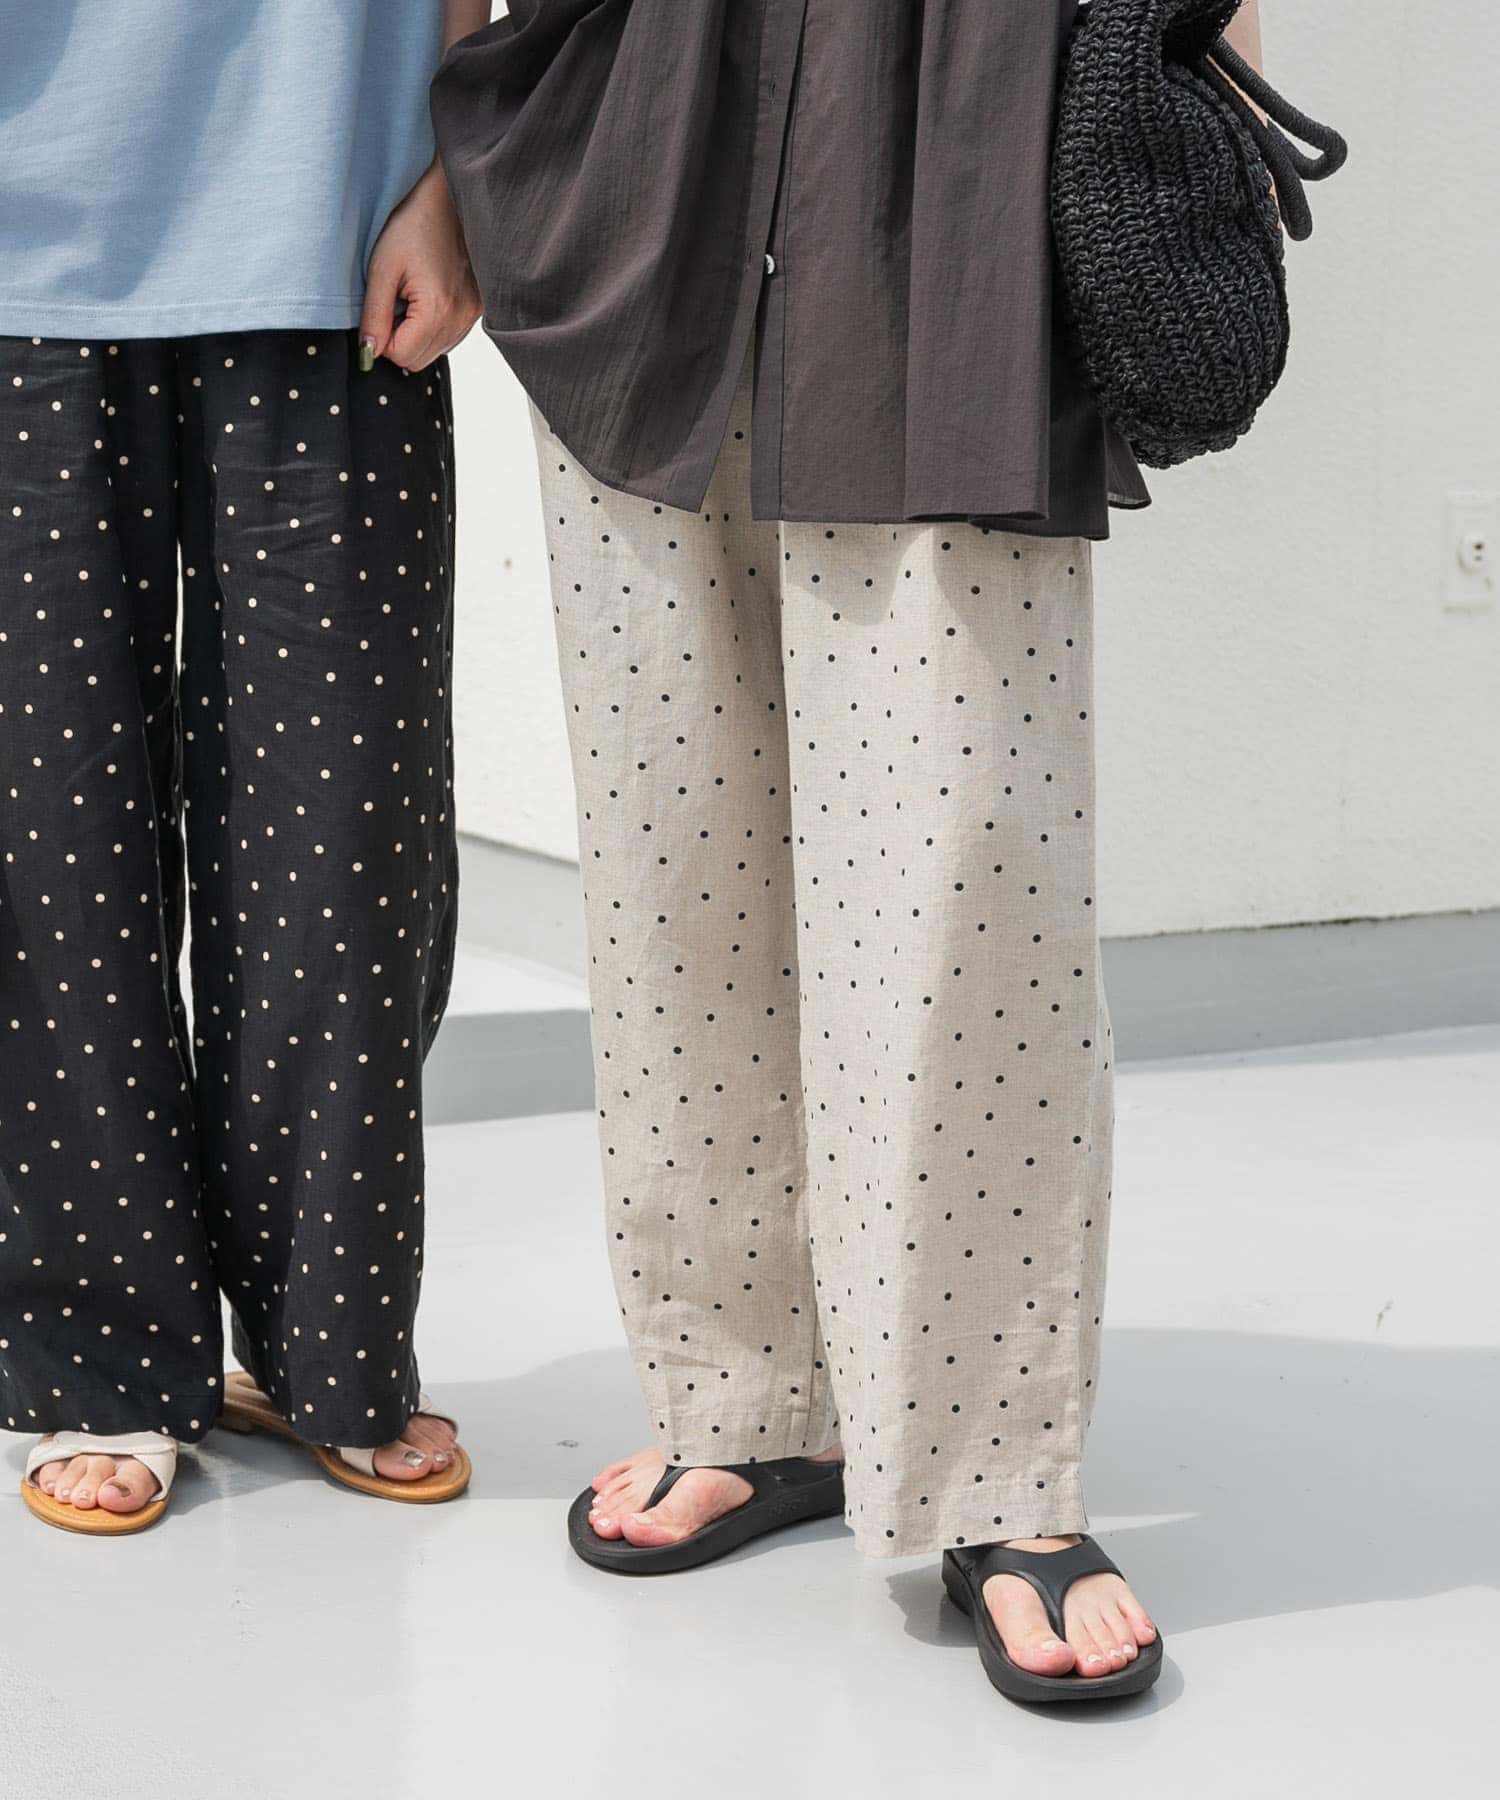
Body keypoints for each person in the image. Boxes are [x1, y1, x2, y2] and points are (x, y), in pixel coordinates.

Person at [434, 0, 1266, 1702]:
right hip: (649, 130)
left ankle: (999, 1480)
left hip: (960, 148)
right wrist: (459, 141)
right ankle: (745, 1397)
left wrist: (1201, 103)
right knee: (674, 847)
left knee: (961, 884)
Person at [0, 0, 488, 1532]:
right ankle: (97, 1356)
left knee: (350, 844)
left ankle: (326, 1345)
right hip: (22, 237)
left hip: (339, 222)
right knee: (47, 851)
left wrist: (458, 164)